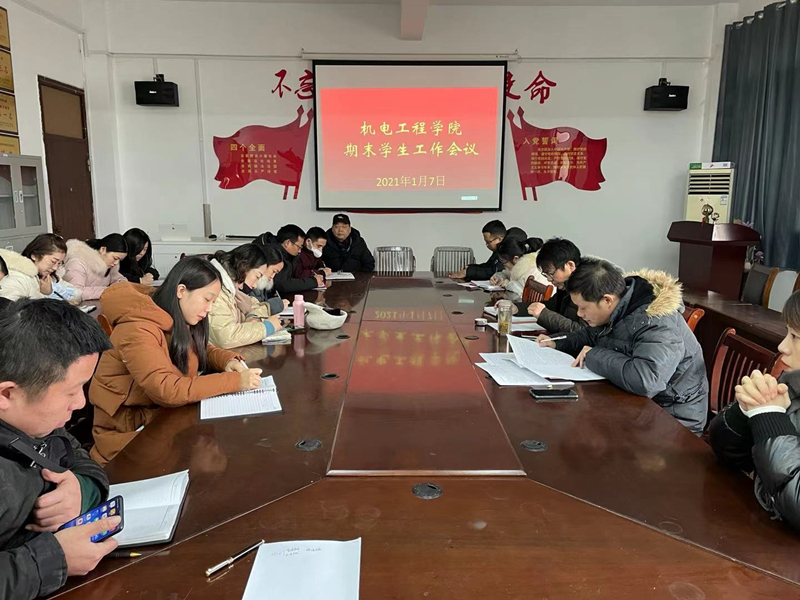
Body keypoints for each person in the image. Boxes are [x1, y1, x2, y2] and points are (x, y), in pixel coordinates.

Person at [89, 257, 264, 464]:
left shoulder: (174, 315)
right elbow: (166, 389)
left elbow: (199, 348)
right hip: (127, 438)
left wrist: (226, 360)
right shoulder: (137, 328)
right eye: (207, 299)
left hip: (159, 421)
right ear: (181, 291)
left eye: (213, 302)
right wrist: (234, 382)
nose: (209, 309)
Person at [0, 299, 120, 598]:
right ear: (7, 394)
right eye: (71, 391)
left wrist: (82, 489)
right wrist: (53, 560)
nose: (81, 402)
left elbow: (74, 453)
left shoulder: (34, 422)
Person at [542, 257, 708, 434]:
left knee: (580, 432)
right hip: (637, 403)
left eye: (583, 308)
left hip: (673, 418)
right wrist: (557, 342)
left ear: (607, 300)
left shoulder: (657, 321)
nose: (579, 314)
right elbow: (592, 334)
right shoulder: (622, 303)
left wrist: (593, 355)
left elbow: (646, 381)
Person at [710, 290, 800, 532]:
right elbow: (731, 456)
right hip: (761, 526)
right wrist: (745, 412)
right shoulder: (793, 384)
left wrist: (769, 416)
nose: (782, 346)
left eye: (795, 336)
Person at [208, 245, 284, 350]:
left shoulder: (232, 288)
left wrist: (251, 316)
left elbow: (255, 305)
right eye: (257, 276)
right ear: (245, 266)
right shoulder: (217, 289)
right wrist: (267, 327)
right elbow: (225, 337)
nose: (255, 285)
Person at [526, 237, 586, 334]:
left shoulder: (589, 288)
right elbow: (549, 305)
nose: (549, 279)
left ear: (570, 266)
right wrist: (517, 308)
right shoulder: (565, 284)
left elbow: (584, 332)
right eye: (546, 275)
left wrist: (544, 315)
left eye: (551, 273)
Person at [0, 235, 80, 303]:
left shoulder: (48, 277)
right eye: (53, 261)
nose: (55, 268)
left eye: (59, 263)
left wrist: (51, 291)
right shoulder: (18, 278)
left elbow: (77, 294)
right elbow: (7, 310)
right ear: (34, 256)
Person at [62, 234, 128, 301]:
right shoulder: (77, 263)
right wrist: (108, 291)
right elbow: (75, 292)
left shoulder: (110, 266)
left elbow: (118, 278)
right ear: (103, 249)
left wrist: (121, 285)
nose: (116, 263)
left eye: (119, 260)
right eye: (115, 258)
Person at [271, 225, 324, 294]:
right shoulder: (274, 255)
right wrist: (314, 282)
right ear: (287, 243)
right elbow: (283, 284)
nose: (299, 251)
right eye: (299, 247)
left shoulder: (289, 256)